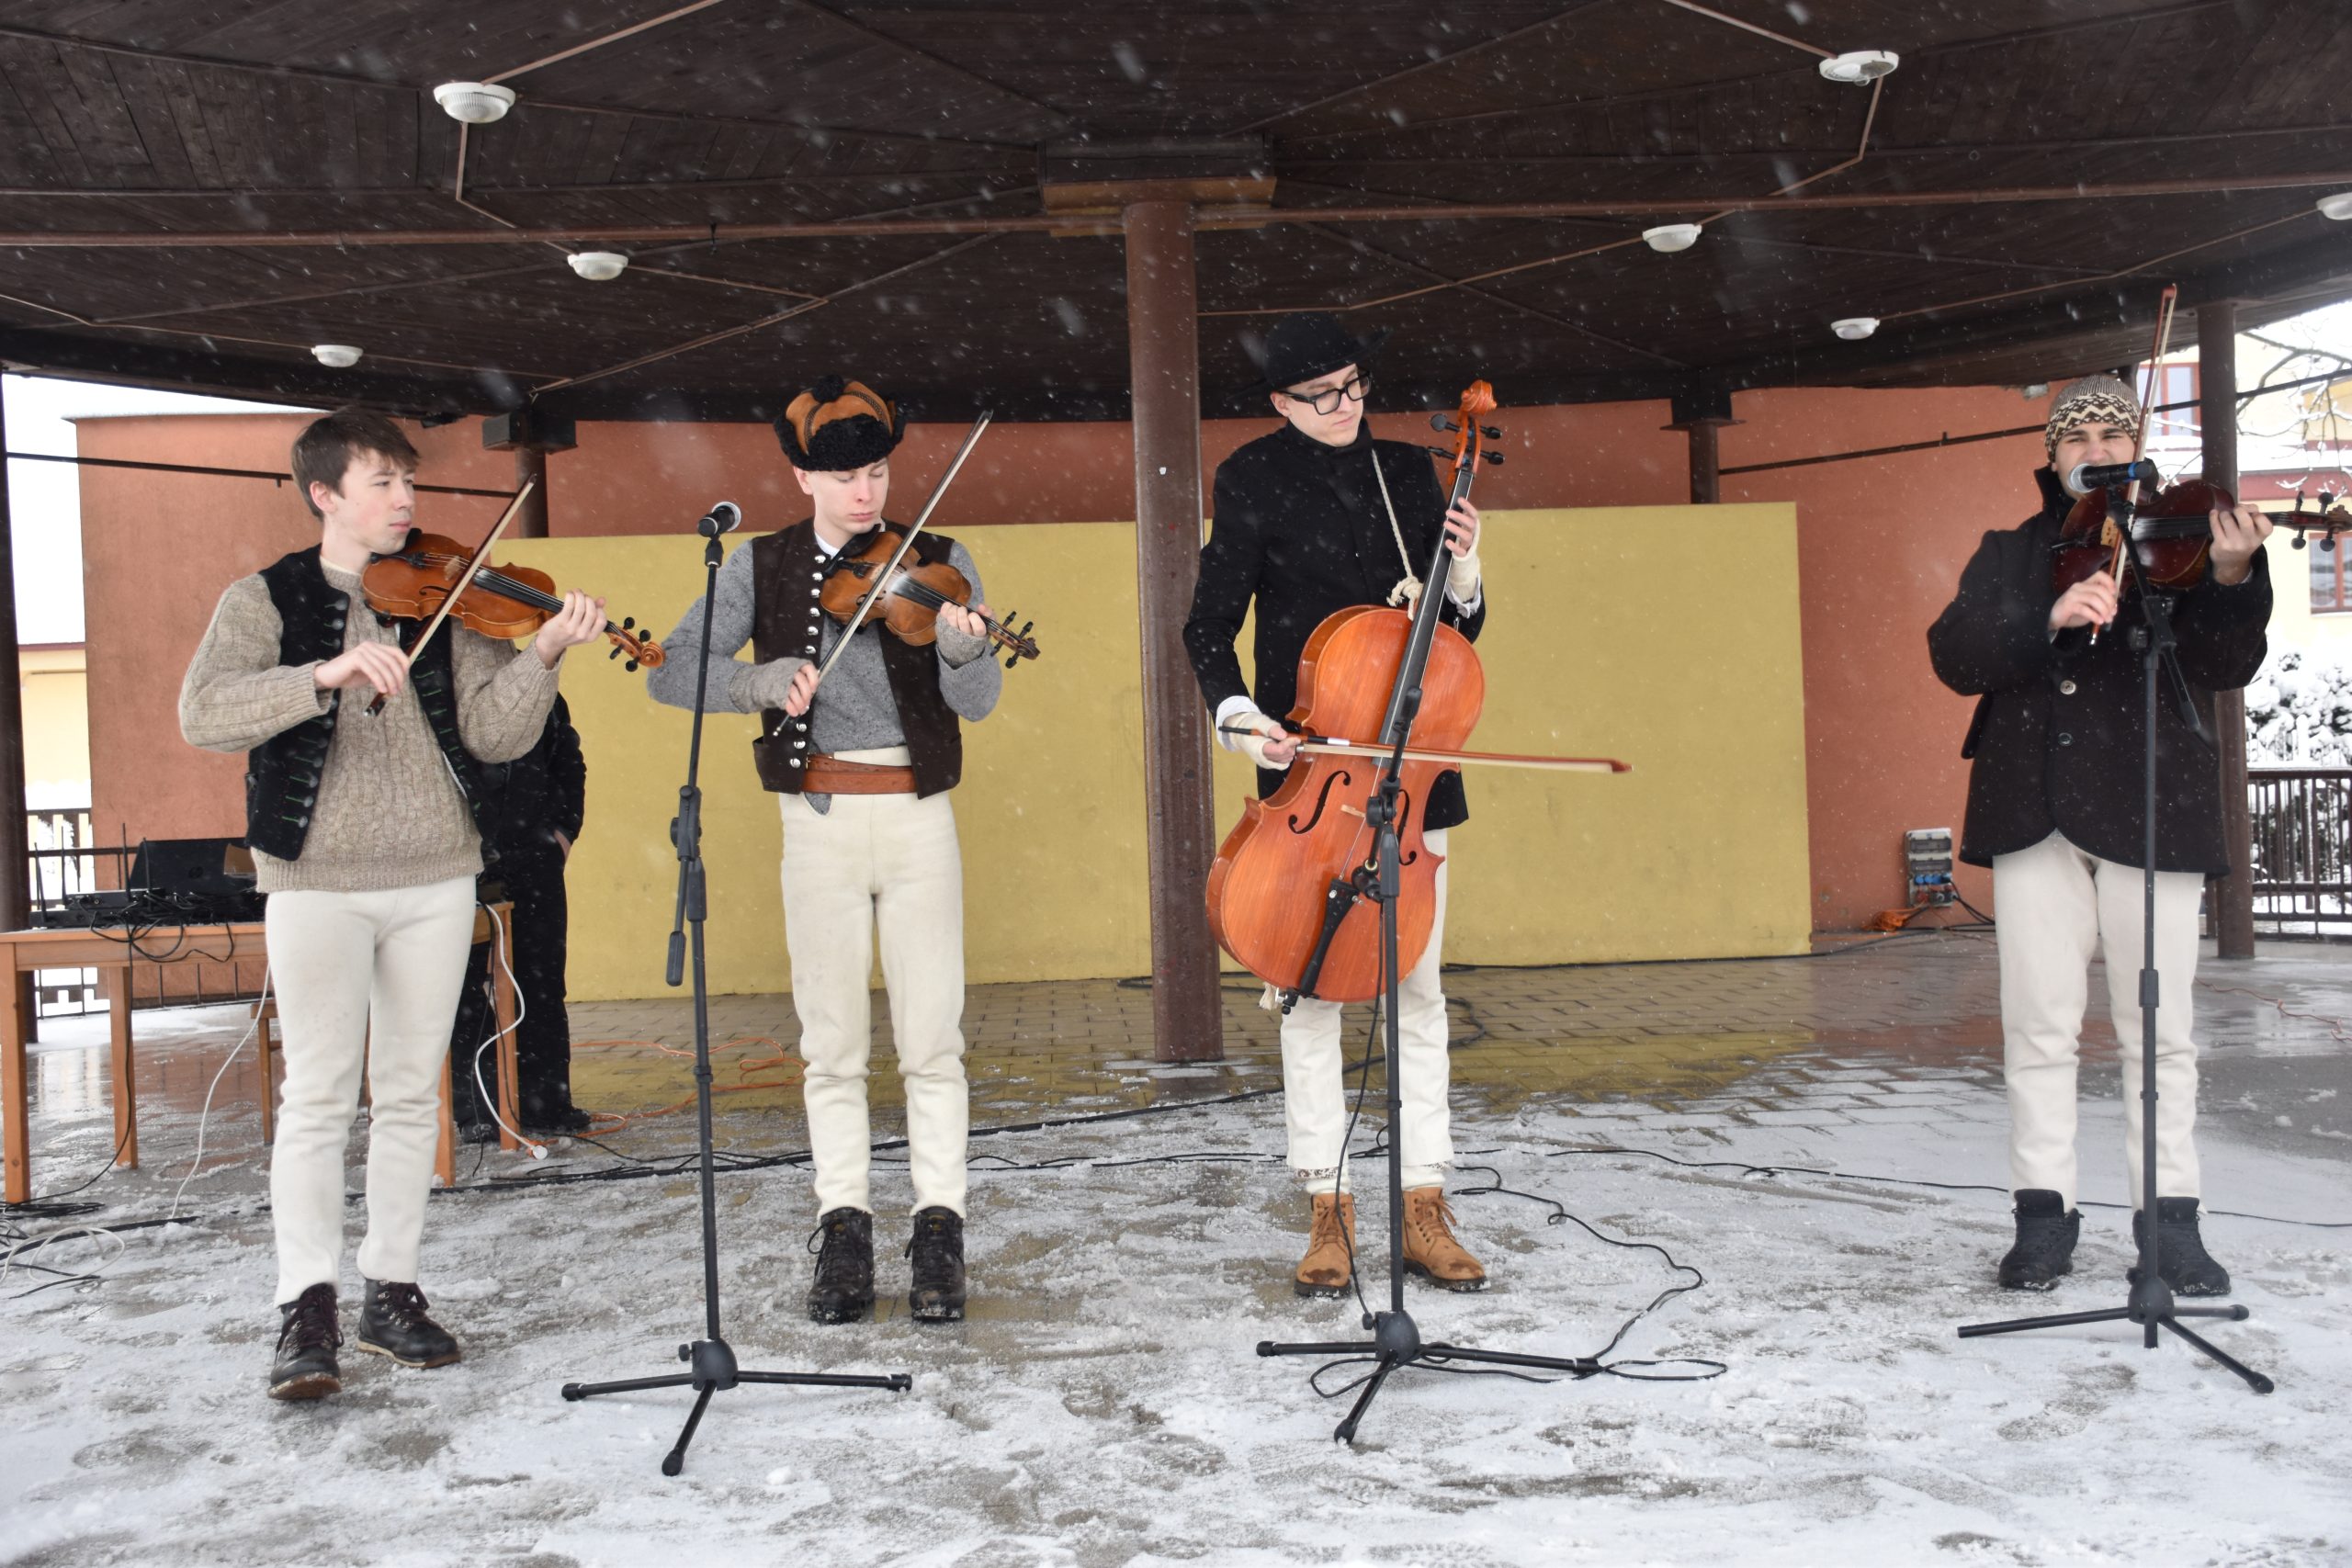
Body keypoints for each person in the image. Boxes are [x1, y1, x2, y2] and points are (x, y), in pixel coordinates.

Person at [180, 408, 603, 1400]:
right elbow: (204, 713)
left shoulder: (451, 594)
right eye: (383, 482)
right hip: (316, 880)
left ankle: (393, 1290)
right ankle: (306, 1307)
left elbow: (496, 738)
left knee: (413, 1094)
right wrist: (320, 674)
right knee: (319, 1097)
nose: (407, 498)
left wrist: (543, 654)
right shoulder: (265, 597)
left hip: (436, 876)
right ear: (325, 494)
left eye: (409, 481)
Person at [647, 375, 1001, 1325]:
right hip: (818, 819)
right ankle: (843, 1228)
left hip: (919, 813)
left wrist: (963, 648)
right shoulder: (759, 565)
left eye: (877, 472)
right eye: (844, 477)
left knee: (933, 1038)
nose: (865, 494)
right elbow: (670, 673)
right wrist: (759, 682)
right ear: (801, 476)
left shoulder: (939, 560)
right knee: (832, 1044)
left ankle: (940, 1229)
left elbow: (977, 704)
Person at [1928, 375, 2273, 1294]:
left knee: (2159, 1031)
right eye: (2076, 436)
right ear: (2051, 457)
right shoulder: (2011, 551)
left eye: (2113, 435)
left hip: (2151, 806)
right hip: (2033, 810)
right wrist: (2043, 616)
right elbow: (1953, 652)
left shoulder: (2180, 544)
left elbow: (2224, 662)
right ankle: (2042, 1218)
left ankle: (2171, 1224)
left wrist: (2230, 575)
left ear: (2138, 449)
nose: (2096, 449)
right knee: (2037, 1024)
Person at [1182, 312, 1489, 1299]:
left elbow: (1455, 632)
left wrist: (1465, 567)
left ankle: (1424, 1204)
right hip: (1310, 770)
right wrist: (1242, 720)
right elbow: (1208, 625)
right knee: (1308, 992)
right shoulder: (1251, 478)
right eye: (1321, 395)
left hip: (1411, 773)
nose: (1345, 406)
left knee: (1418, 991)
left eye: (1354, 386)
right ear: (1281, 401)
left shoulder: (1407, 473)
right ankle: (1329, 1207)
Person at [449, 694, 590, 1139]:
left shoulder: (541, 690)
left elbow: (569, 762)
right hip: (457, 857)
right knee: (460, 986)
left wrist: (562, 833)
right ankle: (480, 1108)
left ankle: (544, 1103)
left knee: (541, 980)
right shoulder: (439, 684)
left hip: (533, 853)